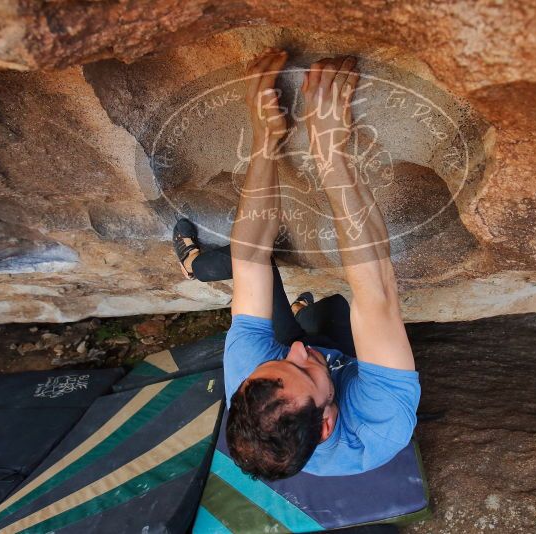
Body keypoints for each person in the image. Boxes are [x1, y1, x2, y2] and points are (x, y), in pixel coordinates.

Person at [172, 48, 420, 480]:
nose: (299, 352)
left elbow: (251, 261)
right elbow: (377, 295)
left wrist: (265, 138)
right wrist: (330, 152)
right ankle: (311, 316)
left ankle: (197, 264)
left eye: (283, 361)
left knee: (263, 281)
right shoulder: (380, 423)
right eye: (300, 367)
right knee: (340, 308)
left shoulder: (254, 379)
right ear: (326, 425)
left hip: (324, 371)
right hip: (353, 369)